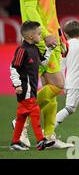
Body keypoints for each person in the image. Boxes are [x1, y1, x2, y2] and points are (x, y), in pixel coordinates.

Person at [16, 0, 72, 148]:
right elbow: (30, 9)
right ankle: (20, 122)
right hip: (37, 40)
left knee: (51, 89)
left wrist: (59, 34)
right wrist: (42, 35)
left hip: (50, 38)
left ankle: (48, 136)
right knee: (58, 85)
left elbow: (50, 10)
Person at [10, 21, 55, 151]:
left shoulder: (34, 49)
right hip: (25, 89)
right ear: (30, 36)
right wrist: (17, 85)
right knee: (34, 111)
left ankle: (15, 142)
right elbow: (13, 68)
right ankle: (41, 140)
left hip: (32, 89)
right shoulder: (22, 50)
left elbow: (43, 63)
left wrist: (50, 50)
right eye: (39, 34)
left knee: (22, 116)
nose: (41, 36)